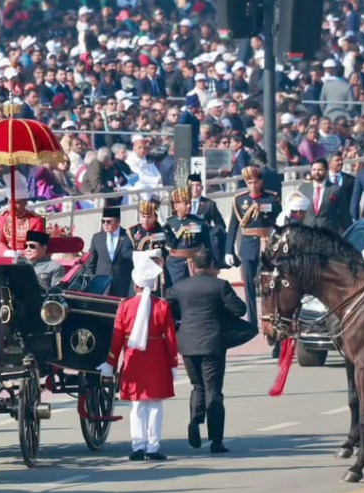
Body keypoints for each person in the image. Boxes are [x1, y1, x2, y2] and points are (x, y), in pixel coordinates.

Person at [98, 251, 178, 461]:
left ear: (135, 285)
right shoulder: (162, 306)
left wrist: (110, 363)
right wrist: (173, 363)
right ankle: (152, 447)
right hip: (157, 359)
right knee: (155, 406)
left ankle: (138, 446)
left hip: (133, 358)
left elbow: (116, 338)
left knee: (137, 406)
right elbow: (170, 338)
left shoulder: (125, 306)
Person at [167, 249, 248, 454]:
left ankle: (195, 421)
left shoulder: (180, 286)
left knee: (197, 386)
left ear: (193, 266)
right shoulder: (220, 285)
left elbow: (167, 308)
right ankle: (216, 441)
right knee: (214, 390)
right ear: (212, 266)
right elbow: (240, 310)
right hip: (212, 344)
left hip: (187, 344)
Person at [225, 165, 281, 330]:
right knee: (248, 285)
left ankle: (269, 318)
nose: (252, 185)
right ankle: (252, 322)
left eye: (255, 181)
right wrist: (229, 250)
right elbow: (233, 227)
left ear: (261, 181)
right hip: (248, 245)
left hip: (266, 245)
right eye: (249, 182)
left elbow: (280, 221)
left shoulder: (271, 199)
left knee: (267, 284)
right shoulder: (240, 200)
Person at [164, 185, 210, 287]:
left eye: (189, 202)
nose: (189, 206)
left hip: (195, 263)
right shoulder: (169, 223)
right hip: (175, 266)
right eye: (185, 203)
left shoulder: (199, 222)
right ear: (176, 206)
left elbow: (207, 245)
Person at [0, 175, 46, 259]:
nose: (13, 206)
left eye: (17, 202)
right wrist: (6, 252)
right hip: (7, 258)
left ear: (25, 202)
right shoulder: (2, 218)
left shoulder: (35, 220)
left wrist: (21, 254)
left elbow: (36, 246)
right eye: (10, 202)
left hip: (28, 260)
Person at [88, 205, 134, 298]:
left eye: (109, 221)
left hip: (122, 286)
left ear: (118, 222)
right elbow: (91, 262)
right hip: (101, 287)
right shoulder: (97, 238)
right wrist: (93, 278)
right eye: (103, 221)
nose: (105, 224)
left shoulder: (128, 236)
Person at [189, 174, 228, 268]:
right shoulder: (182, 204)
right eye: (191, 186)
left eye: (197, 185)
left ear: (202, 187)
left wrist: (211, 231)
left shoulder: (209, 204)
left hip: (204, 243)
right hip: (187, 242)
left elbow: (221, 224)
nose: (195, 188)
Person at [299, 158, 343, 233]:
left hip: (328, 233)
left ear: (326, 171)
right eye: (314, 170)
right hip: (308, 232)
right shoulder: (303, 189)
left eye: (320, 169)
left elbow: (344, 214)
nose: (316, 172)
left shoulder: (335, 189)